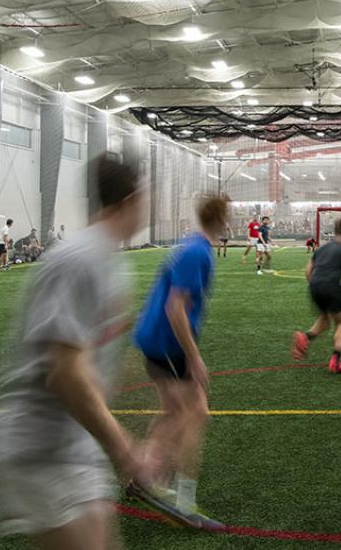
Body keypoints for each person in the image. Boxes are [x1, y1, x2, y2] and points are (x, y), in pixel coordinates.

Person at [0, 155, 148, 549]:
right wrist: (125, 447)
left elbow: (95, 352)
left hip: (75, 444)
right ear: (130, 200)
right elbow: (66, 374)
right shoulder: (77, 260)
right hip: (39, 449)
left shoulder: (110, 262)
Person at [128, 193, 230, 528]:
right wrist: (194, 356)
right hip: (167, 344)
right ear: (221, 219)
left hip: (153, 339)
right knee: (196, 413)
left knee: (174, 410)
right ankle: (184, 502)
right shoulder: (198, 252)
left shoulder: (191, 244)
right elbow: (176, 309)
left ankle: (144, 474)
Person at [291, 218, 341, 374]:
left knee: (325, 319)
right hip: (332, 287)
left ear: (335, 231)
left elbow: (307, 271)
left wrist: (317, 285)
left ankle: (305, 337)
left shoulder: (321, 249)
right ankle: (335, 361)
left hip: (315, 286)